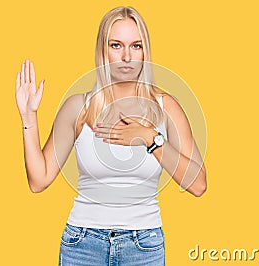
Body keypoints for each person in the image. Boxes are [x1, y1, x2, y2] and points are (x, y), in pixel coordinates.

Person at [15, 6, 207, 266]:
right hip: (82, 245)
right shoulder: (78, 108)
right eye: (116, 45)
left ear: (145, 51)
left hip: (144, 247)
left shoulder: (166, 107)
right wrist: (28, 117)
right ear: (103, 50)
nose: (126, 56)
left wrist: (150, 138)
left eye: (136, 46)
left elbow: (198, 184)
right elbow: (39, 180)